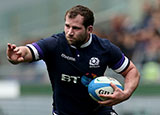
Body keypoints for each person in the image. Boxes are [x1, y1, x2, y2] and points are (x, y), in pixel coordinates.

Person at [7, 5, 140, 115]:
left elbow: (131, 70)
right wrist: (18, 55)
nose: (69, 32)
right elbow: (29, 51)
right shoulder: (55, 44)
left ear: (89, 29)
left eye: (75, 28)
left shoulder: (104, 48)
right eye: (67, 26)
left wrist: (126, 93)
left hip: (99, 111)